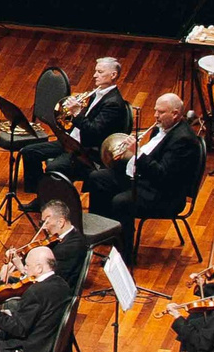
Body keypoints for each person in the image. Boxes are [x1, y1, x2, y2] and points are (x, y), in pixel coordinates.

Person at [85, 92, 202, 263]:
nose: (155, 115)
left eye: (161, 112)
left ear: (175, 114)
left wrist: (137, 153)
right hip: (144, 179)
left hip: (164, 194)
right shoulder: (159, 128)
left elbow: (162, 175)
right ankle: (102, 233)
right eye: (155, 110)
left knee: (121, 202)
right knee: (97, 178)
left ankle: (124, 256)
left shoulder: (183, 140)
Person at [40, 56, 131, 186]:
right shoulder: (95, 93)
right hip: (72, 141)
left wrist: (77, 113)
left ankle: (52, 194)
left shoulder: (113, 103)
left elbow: (93, 130)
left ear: (113, 75)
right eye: (95, 71)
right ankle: (35, 189)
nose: (94, 75)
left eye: (100, 72)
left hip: (85, 150)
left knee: (53, 168)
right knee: (30, 151)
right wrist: (72, 112)